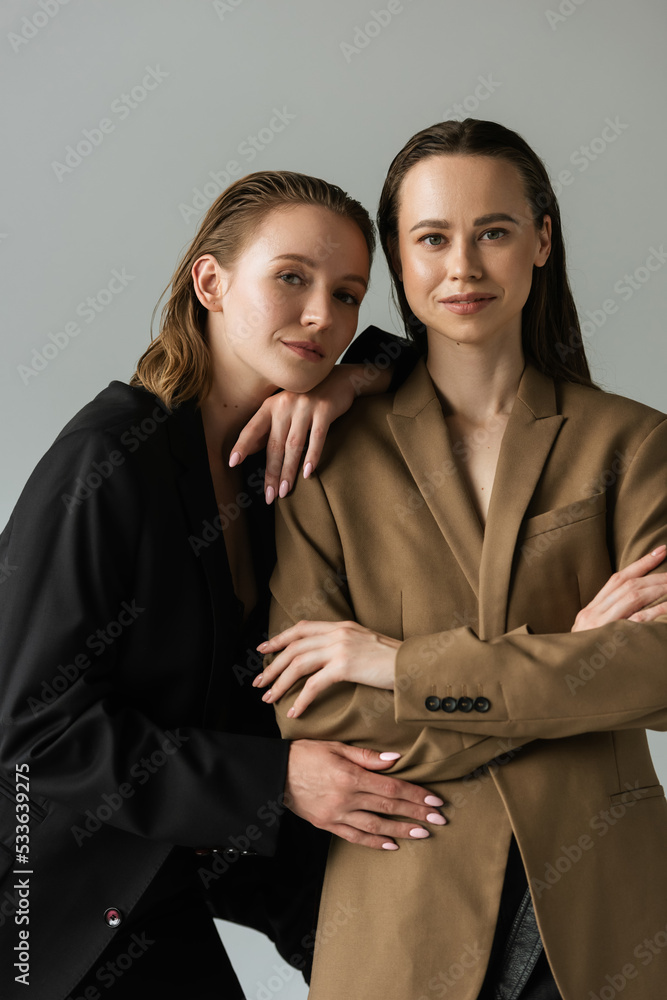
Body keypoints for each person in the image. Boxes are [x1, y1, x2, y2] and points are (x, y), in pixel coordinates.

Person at [0, 170, 448, 1000]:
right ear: (209, 281)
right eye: (291, 278)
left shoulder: (271, 461)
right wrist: (277, 780)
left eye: (346, 294)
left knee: (437, 944)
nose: (323, 316)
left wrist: (354, 377)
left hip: (192, 855)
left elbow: (437, 351)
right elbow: (35, 739)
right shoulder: (107, 463)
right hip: (51, 897)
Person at [256, 122, 667, 999]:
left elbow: (661, 676)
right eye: (432, 238)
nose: (464, 267)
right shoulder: (323, 457)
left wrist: (396, 664)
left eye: (494, 231)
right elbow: (319, 718)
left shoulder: (632, 445)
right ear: (398, 261)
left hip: (605, 914)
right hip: (402, 911)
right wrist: (573, 664)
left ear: (542, 239)